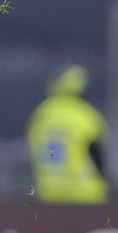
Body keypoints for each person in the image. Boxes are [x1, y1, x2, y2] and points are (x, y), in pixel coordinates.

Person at [26, 64, 108, 203]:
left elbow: (33, 148)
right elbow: (98, 155)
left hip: (48, 193)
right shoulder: (85, 115)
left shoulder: (41, 115)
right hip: (85, 194)